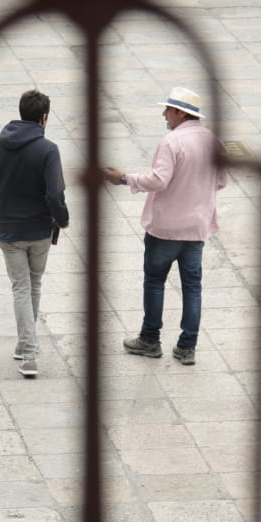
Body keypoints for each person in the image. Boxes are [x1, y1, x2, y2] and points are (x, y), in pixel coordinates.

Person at [102, 87, 226, 366]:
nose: (164, 114)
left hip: (166, 228)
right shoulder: (212, 141)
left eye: (168, 110)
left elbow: (159, 180)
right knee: (192, 287)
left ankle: (150, 339)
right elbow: (221, 180)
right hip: (196, 228)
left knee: (155, 282)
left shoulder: (172, 142)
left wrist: (125, 178)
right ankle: (187, 346)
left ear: (181, 113)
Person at [0, 90, 70, 380]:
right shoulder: (48, 150)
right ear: (44, 118)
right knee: (34, 283)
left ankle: (25, 344)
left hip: (9, 231)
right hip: (40, 229)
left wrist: (5, 200)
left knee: (20, 286)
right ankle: (29, 352)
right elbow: (55, 193)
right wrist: (62, 219)